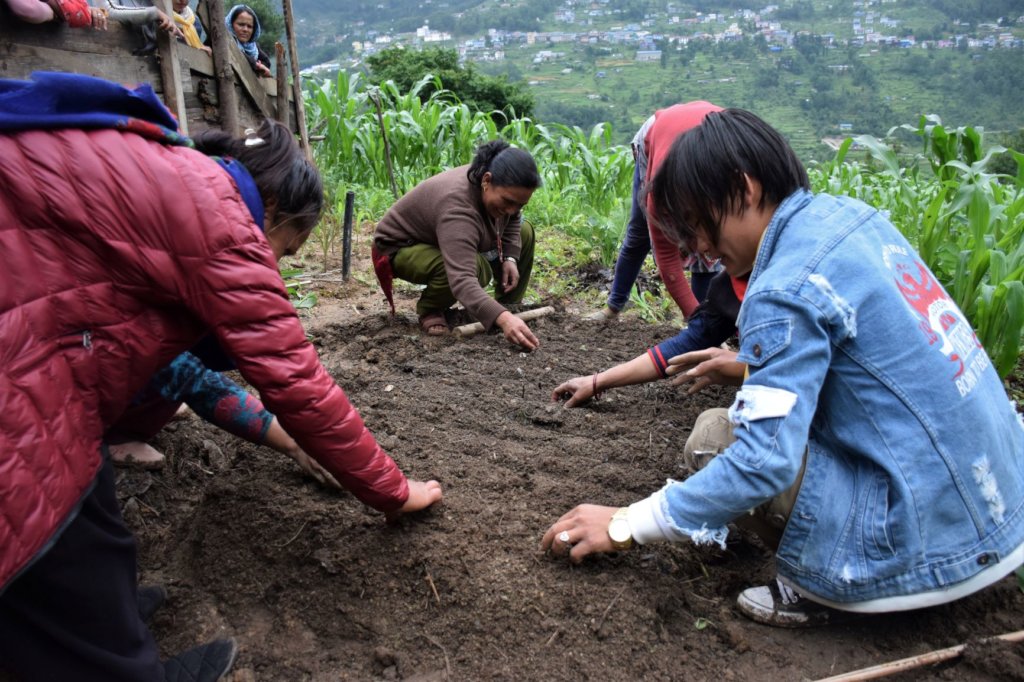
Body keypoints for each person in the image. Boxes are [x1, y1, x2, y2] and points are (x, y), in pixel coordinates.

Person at [0, 72, 442, 681]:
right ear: (279, 212)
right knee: (42, 499)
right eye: (285, 252)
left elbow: (189, 365)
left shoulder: (172, 173)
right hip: (19, 366)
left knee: (84, 485)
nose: (278, 267)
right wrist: (394, 490)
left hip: (29, 335)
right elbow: (297, 380)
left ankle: (112, 609)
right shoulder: (221, 220)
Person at [541, 108, 1024, 628]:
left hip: (921, 541)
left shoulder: (780, 289)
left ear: (744, 189)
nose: (698, 248)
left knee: (715, 436)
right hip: (1001, 500)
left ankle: (828, 588)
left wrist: (624, 522)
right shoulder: (851, 218)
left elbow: (761, 462)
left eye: (699, 225)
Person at [372, 140, 542, 349]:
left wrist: (509, 258)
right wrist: (503, 320)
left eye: (520, 204)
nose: (511, 209)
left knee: (524, 232)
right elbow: (462, 279)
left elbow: (514, 217)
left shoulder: (491, 182)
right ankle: (431, 308)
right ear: (487, 181)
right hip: (402, 247)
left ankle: (509, 305)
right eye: (507, 201)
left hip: (443, 237)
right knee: (475, 268)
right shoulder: (458, 208)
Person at [107, 350, 340, 489]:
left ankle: (156, 397)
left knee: (179, 371)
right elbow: (203, 386)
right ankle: (117, 435)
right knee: (177, 373)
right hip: (91, 385)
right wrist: (295, 446)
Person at [588, 101, 725, 322]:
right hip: (657, 134)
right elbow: (667, 260)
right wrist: (698, 324)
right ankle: (613, 307)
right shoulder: (661, 189)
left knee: (707, 256)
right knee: (640, 233)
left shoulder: (732, 180)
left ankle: (704, 321)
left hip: (708, 134)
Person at [553, 270, 745, 407]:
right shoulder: (733, 280)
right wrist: (597, 381)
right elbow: (691, 342)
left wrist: (746, 367)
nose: (704, 248)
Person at [225, 3, 271, 77]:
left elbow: (266, 62)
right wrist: (255, 64)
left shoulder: (253, 47)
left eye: (249, 26)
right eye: (241, 24)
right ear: (231, 24)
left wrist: (259, 66)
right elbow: (237, 53)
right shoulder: (223, 40)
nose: (245, 29)